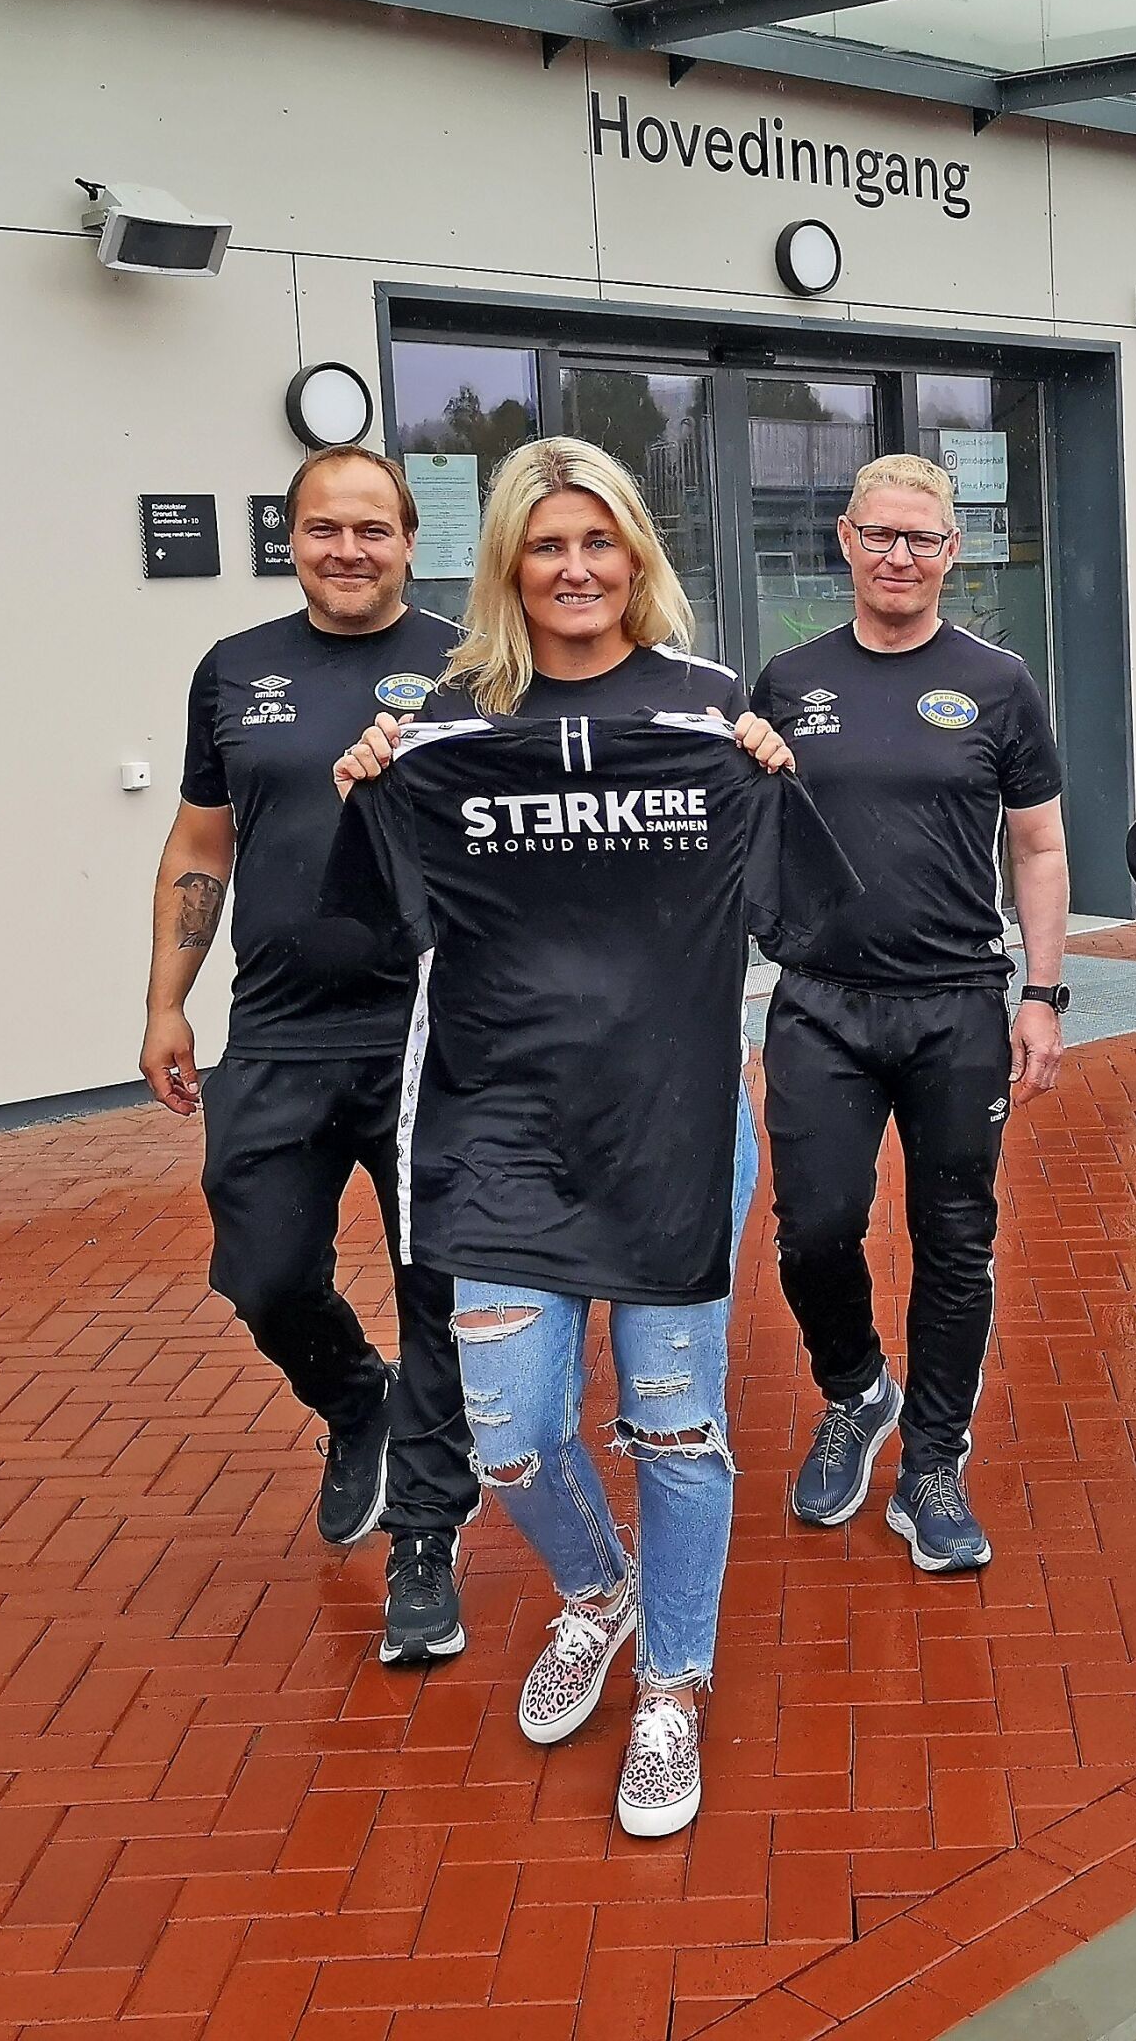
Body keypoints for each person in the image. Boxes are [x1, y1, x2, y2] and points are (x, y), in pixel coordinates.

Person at [326, 438, 817, 1839]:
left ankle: (672, 1685)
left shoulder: (709, 708)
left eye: (599, 541)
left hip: (672, 1124)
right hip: (500, 1130)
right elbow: (363, 922)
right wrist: (367, 792)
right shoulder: (443, 728)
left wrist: (772, 777)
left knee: (676, 1425)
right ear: (507, 564)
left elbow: (795, 909)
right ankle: (596, 1597)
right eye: (547, 545)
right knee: (511, 1439)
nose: (576, 568)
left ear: (636, 555)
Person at [140, 443, 469, 1558]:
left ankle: (428, 1521)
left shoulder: (472, 668)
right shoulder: (234, 670)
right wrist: (165, 1003)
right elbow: (201, 843)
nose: (348, 550)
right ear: (291, 540)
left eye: (373, 529)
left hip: (430, 1032)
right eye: (324, 528)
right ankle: (354, 1399)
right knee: (263, 1273)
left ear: (410, 542)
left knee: (440, 1285)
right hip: (279, 1027)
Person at [750, 454, 1070, 1576]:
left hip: (955, 1007)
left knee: (955, 1240)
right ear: (844, 539)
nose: (899, 556)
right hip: (819, 1006)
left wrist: (1042, 993)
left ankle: (933, 1460)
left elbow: (1038, 846)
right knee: (813, 1230)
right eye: (879, 535)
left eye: (921, 539)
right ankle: (855, 1389)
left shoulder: (998, 682)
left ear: (951, 551)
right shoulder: (787, 681)